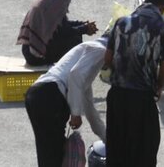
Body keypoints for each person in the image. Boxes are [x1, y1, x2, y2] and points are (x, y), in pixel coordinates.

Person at [104, 0, 164, 167]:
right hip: (141, 98)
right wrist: (159, 85)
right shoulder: (162, 29)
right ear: (163, 7)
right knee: (144, 149)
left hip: (117, 96)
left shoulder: (120, 23)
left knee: (118, 149)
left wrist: (119, 73)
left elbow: (108, 58)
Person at [25, 35, 108, 167]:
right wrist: (75, 114)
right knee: (53, 155)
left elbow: (89, 108)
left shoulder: (89, 52)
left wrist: (106, 139)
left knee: (49, 154)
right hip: (50, 95)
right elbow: (75, 75)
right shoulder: (100, 49)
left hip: (37, 94)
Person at [19, 0, 98, 67]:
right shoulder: (56, 1)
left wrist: (82, 24)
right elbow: (62, 32)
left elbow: (60, 24)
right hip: (35, 56)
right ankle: (67, 76)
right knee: (75, 40)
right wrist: (85, 29)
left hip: (29, 51)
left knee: (75, 35)